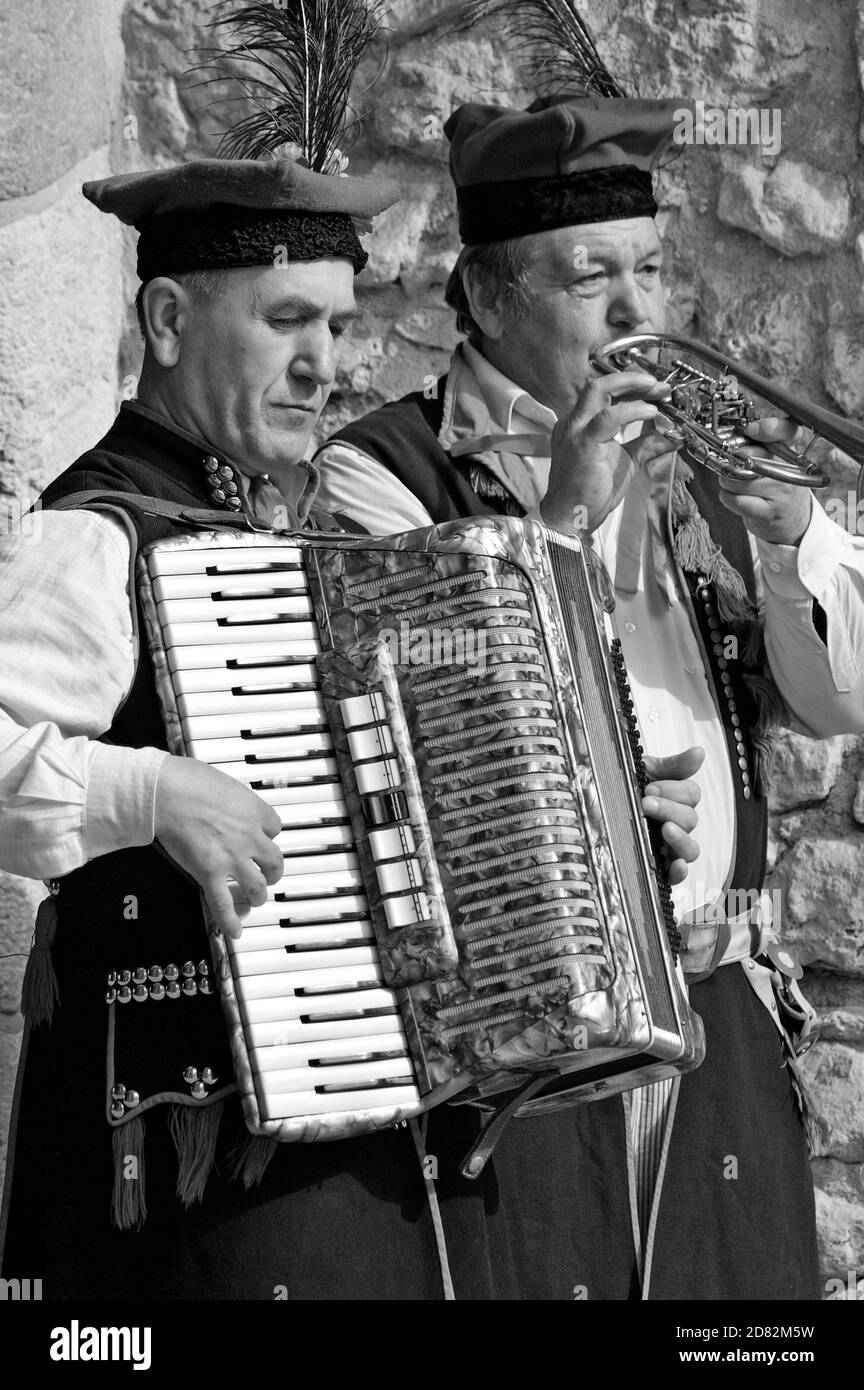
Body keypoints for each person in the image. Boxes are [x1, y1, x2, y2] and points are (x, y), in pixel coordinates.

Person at [0, 14, 702, 1301]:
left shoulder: (320, 544)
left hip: (371, 1169)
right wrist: (144, 793)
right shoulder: (98, 533)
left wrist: (597, 824)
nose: (324, 365)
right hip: (180, 1176)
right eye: (284, 322)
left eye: (337, 324)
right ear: (165, 317)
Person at [314, 91, 864, 1299]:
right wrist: (564, 518)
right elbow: (433, 729)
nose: (636, 315)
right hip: (527, 1041)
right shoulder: (377, 471)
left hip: (721, 1011)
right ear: (493, 296)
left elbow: (838, 705)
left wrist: (794, 539)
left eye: (651, 272)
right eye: (589, 279)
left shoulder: (700, 469)